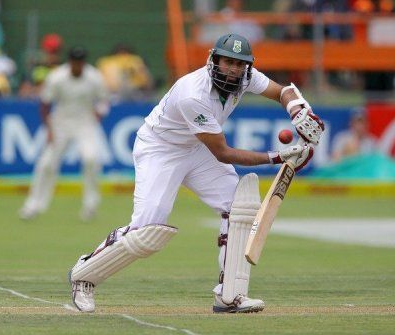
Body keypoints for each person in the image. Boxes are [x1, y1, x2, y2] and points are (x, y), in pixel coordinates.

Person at [68, 33, 324, 314]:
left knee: (238, 207)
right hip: (162, 149)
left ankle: (230, 295)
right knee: (146, 232)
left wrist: (298, 110)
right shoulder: (193, 93)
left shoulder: (245, 77)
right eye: (228, 62)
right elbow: (223, 153)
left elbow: (281, 91)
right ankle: (84, 275)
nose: (234, 70)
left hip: (197, 149)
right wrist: (277, 157)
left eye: (240, 65)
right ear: (214, 60)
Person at [19, 46, 109, 221]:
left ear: (84, 63)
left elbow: (104, 100)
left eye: (80, 63)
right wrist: (49, 129)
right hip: (60, 122)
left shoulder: (94, 77)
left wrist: (97, 116)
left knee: (90, 158)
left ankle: (90, 205)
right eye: (75, 63)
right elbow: (45, 104)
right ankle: (33, 205)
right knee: (46, 163)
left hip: (85, 122)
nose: (78, 66)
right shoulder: (57, 77)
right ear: (70, 63)